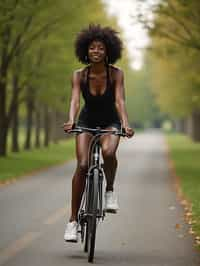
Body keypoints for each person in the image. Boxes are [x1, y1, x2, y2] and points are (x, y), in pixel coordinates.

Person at [63, 24, 134, 242]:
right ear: (86, 50)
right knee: (83, 165)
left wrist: (125, 123)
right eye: (92, 48)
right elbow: (75, 99)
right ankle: (73, 222)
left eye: (100, 48)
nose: (96, 51)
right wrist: (72, 120)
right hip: (86, 121)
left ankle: (109, 190)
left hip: (110, 122)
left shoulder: (116, 74)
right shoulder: (79, 75)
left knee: (109, 153)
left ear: (108, 51)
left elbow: (119, 100)